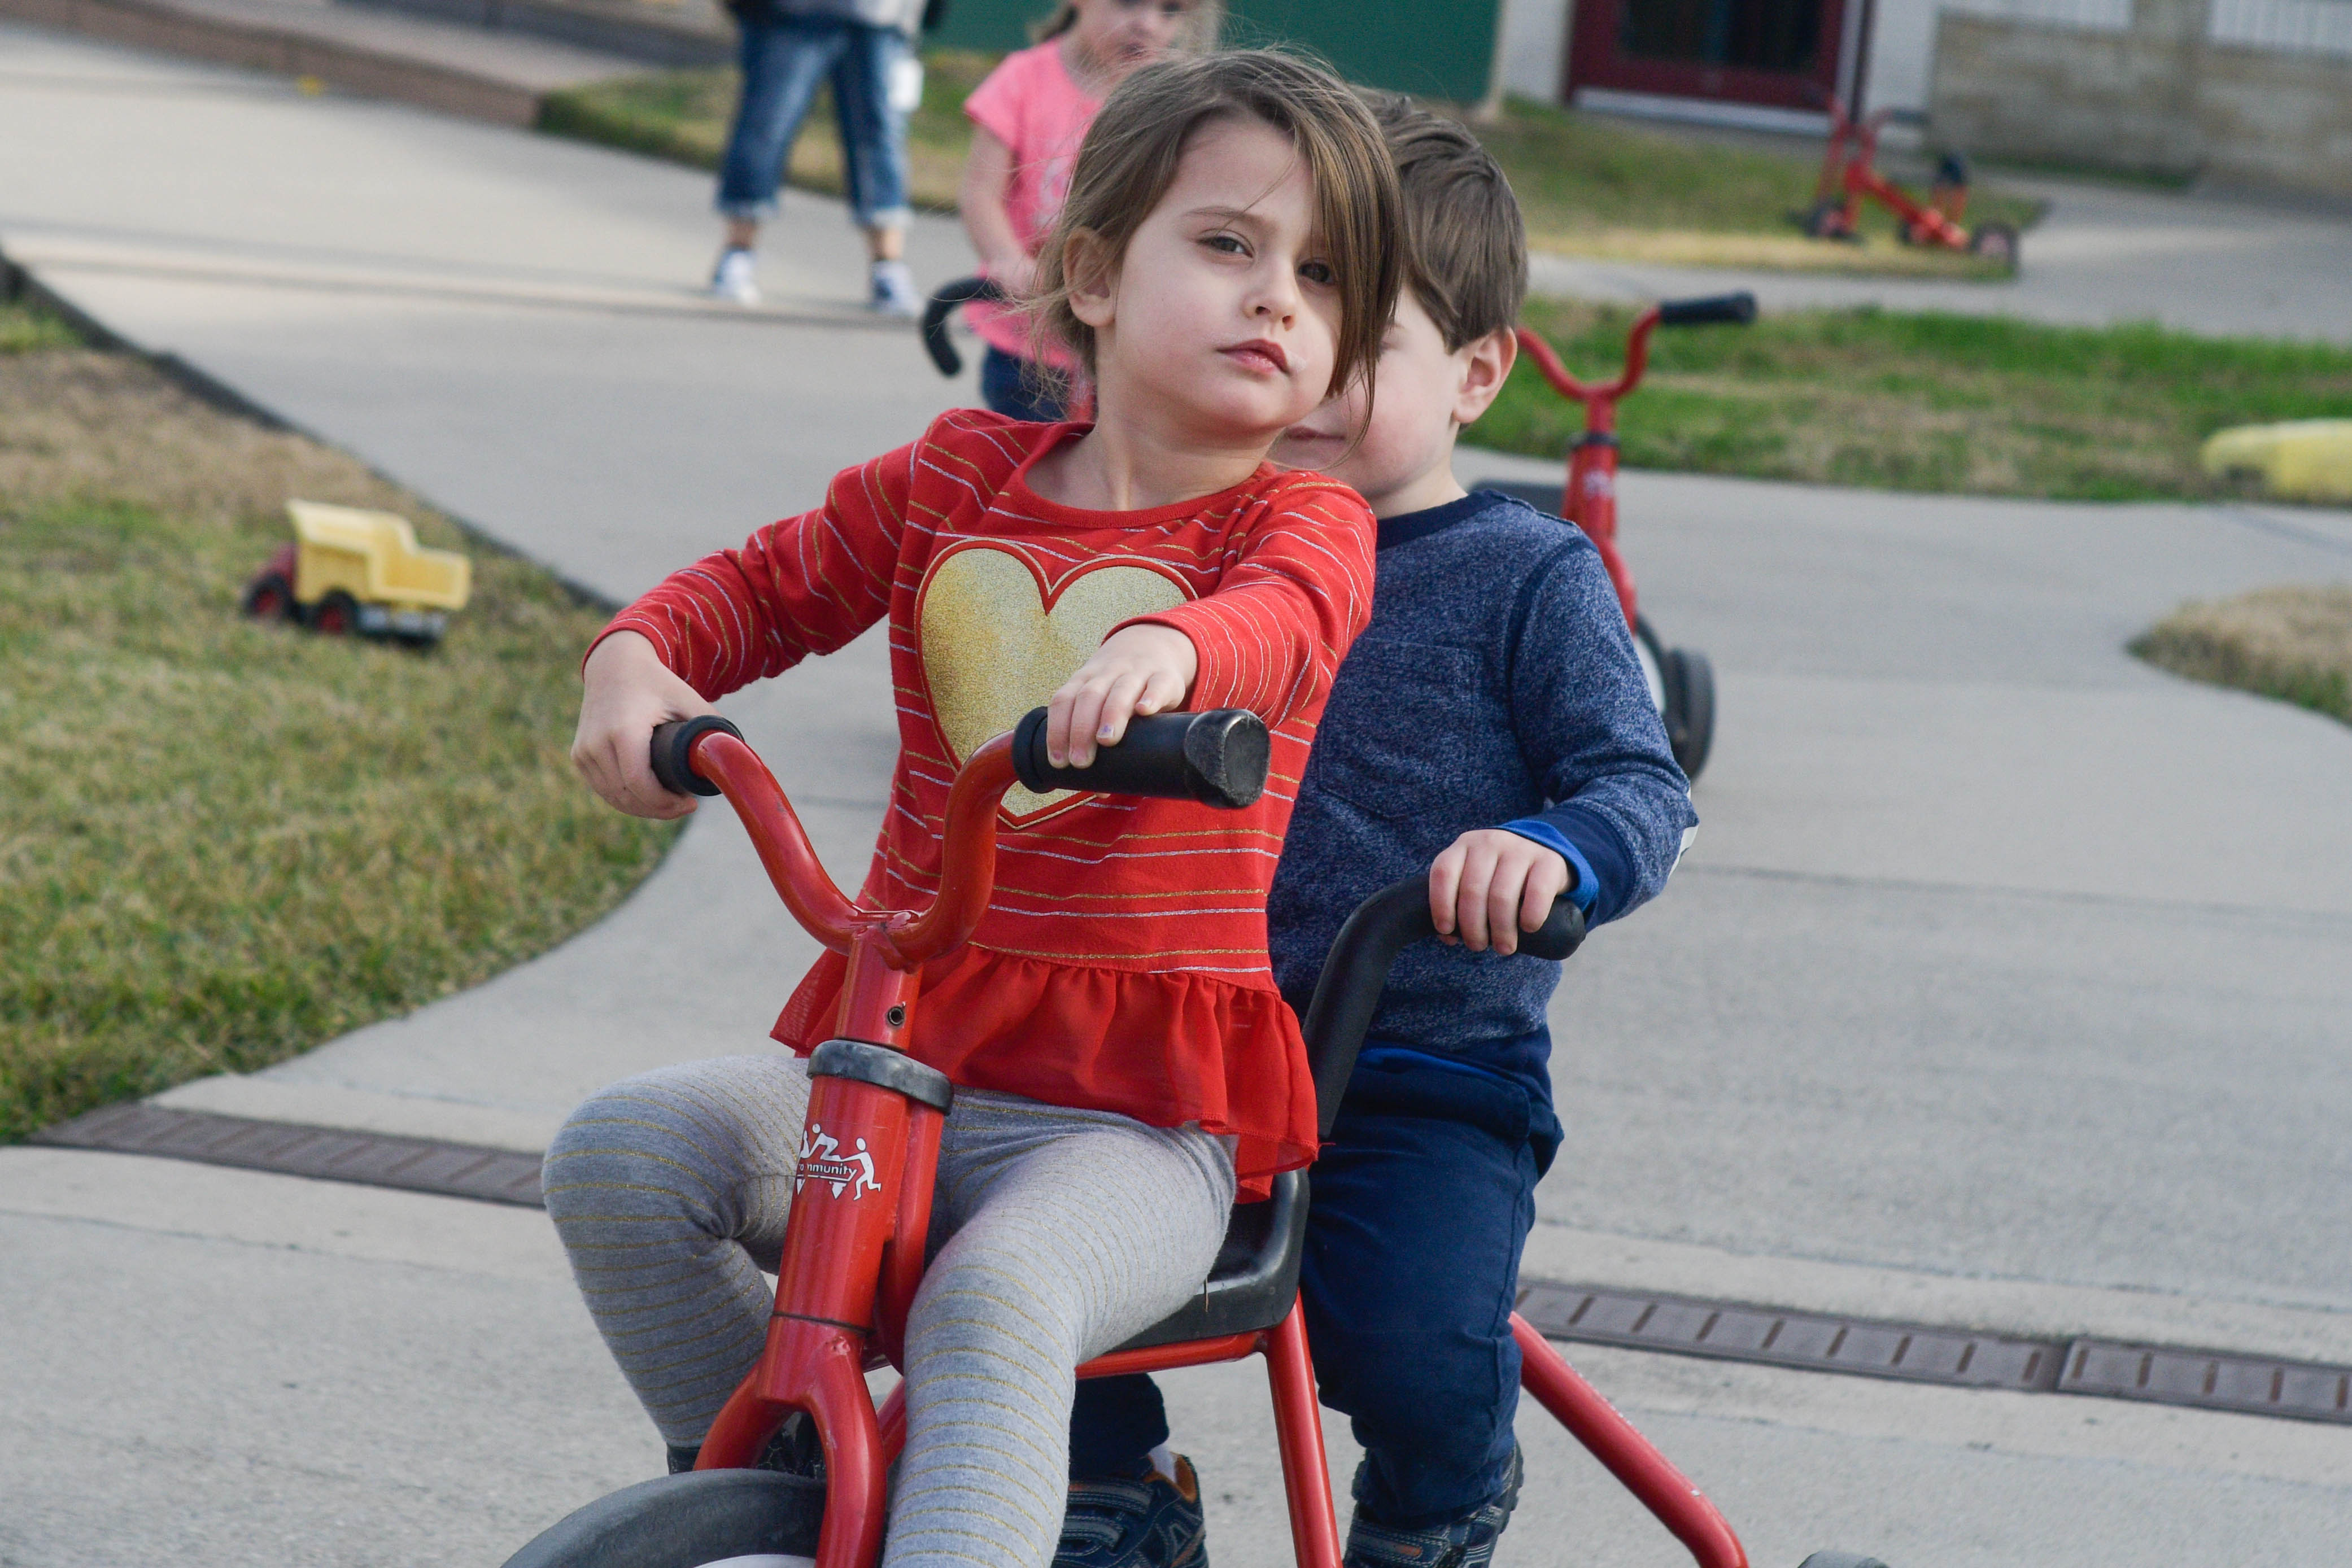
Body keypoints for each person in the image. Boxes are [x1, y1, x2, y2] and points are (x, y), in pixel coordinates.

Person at [550, 51, 1406, 1568]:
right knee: (623, 1157)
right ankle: (782, 1490)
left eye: (1323, 277)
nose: (1278, 296)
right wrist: (636, 657)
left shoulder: (1294, 522)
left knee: (993, 1298)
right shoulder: (953, 479)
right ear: (1087, 271)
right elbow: (758, 585)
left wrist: (1167, 650)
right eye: (1227, 243)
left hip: (1136, 1125)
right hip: (899, 1062)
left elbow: (1283, 618)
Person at [1057, 101, 1699, 1568]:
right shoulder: (1187, 545)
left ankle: (1437, 1496)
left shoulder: (1520, 574)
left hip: (1414, 1070)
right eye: (1292, 307)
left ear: (1475, 374)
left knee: (1408, 1343)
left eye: (1370, 334)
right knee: (1003, 1250)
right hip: (1168, 1049)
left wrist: (1550, 851)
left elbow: (1637, 785)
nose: (1308, 361)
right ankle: (1113, 1487)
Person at [958, 0, 1220, 421]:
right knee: (1038, 465)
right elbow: (979, 193)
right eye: (1127, 3)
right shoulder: (1024, 78)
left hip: (1127, 347)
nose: (1147, 25)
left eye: (1170, 11)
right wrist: (1009, 261)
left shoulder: (1172, 104)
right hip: (1031, 345)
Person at [708, 0, 926, 313]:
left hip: (878, 16)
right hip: (793, 14)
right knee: (766, 126)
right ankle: (737, 253)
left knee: (879, 137)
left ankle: (887, 268)